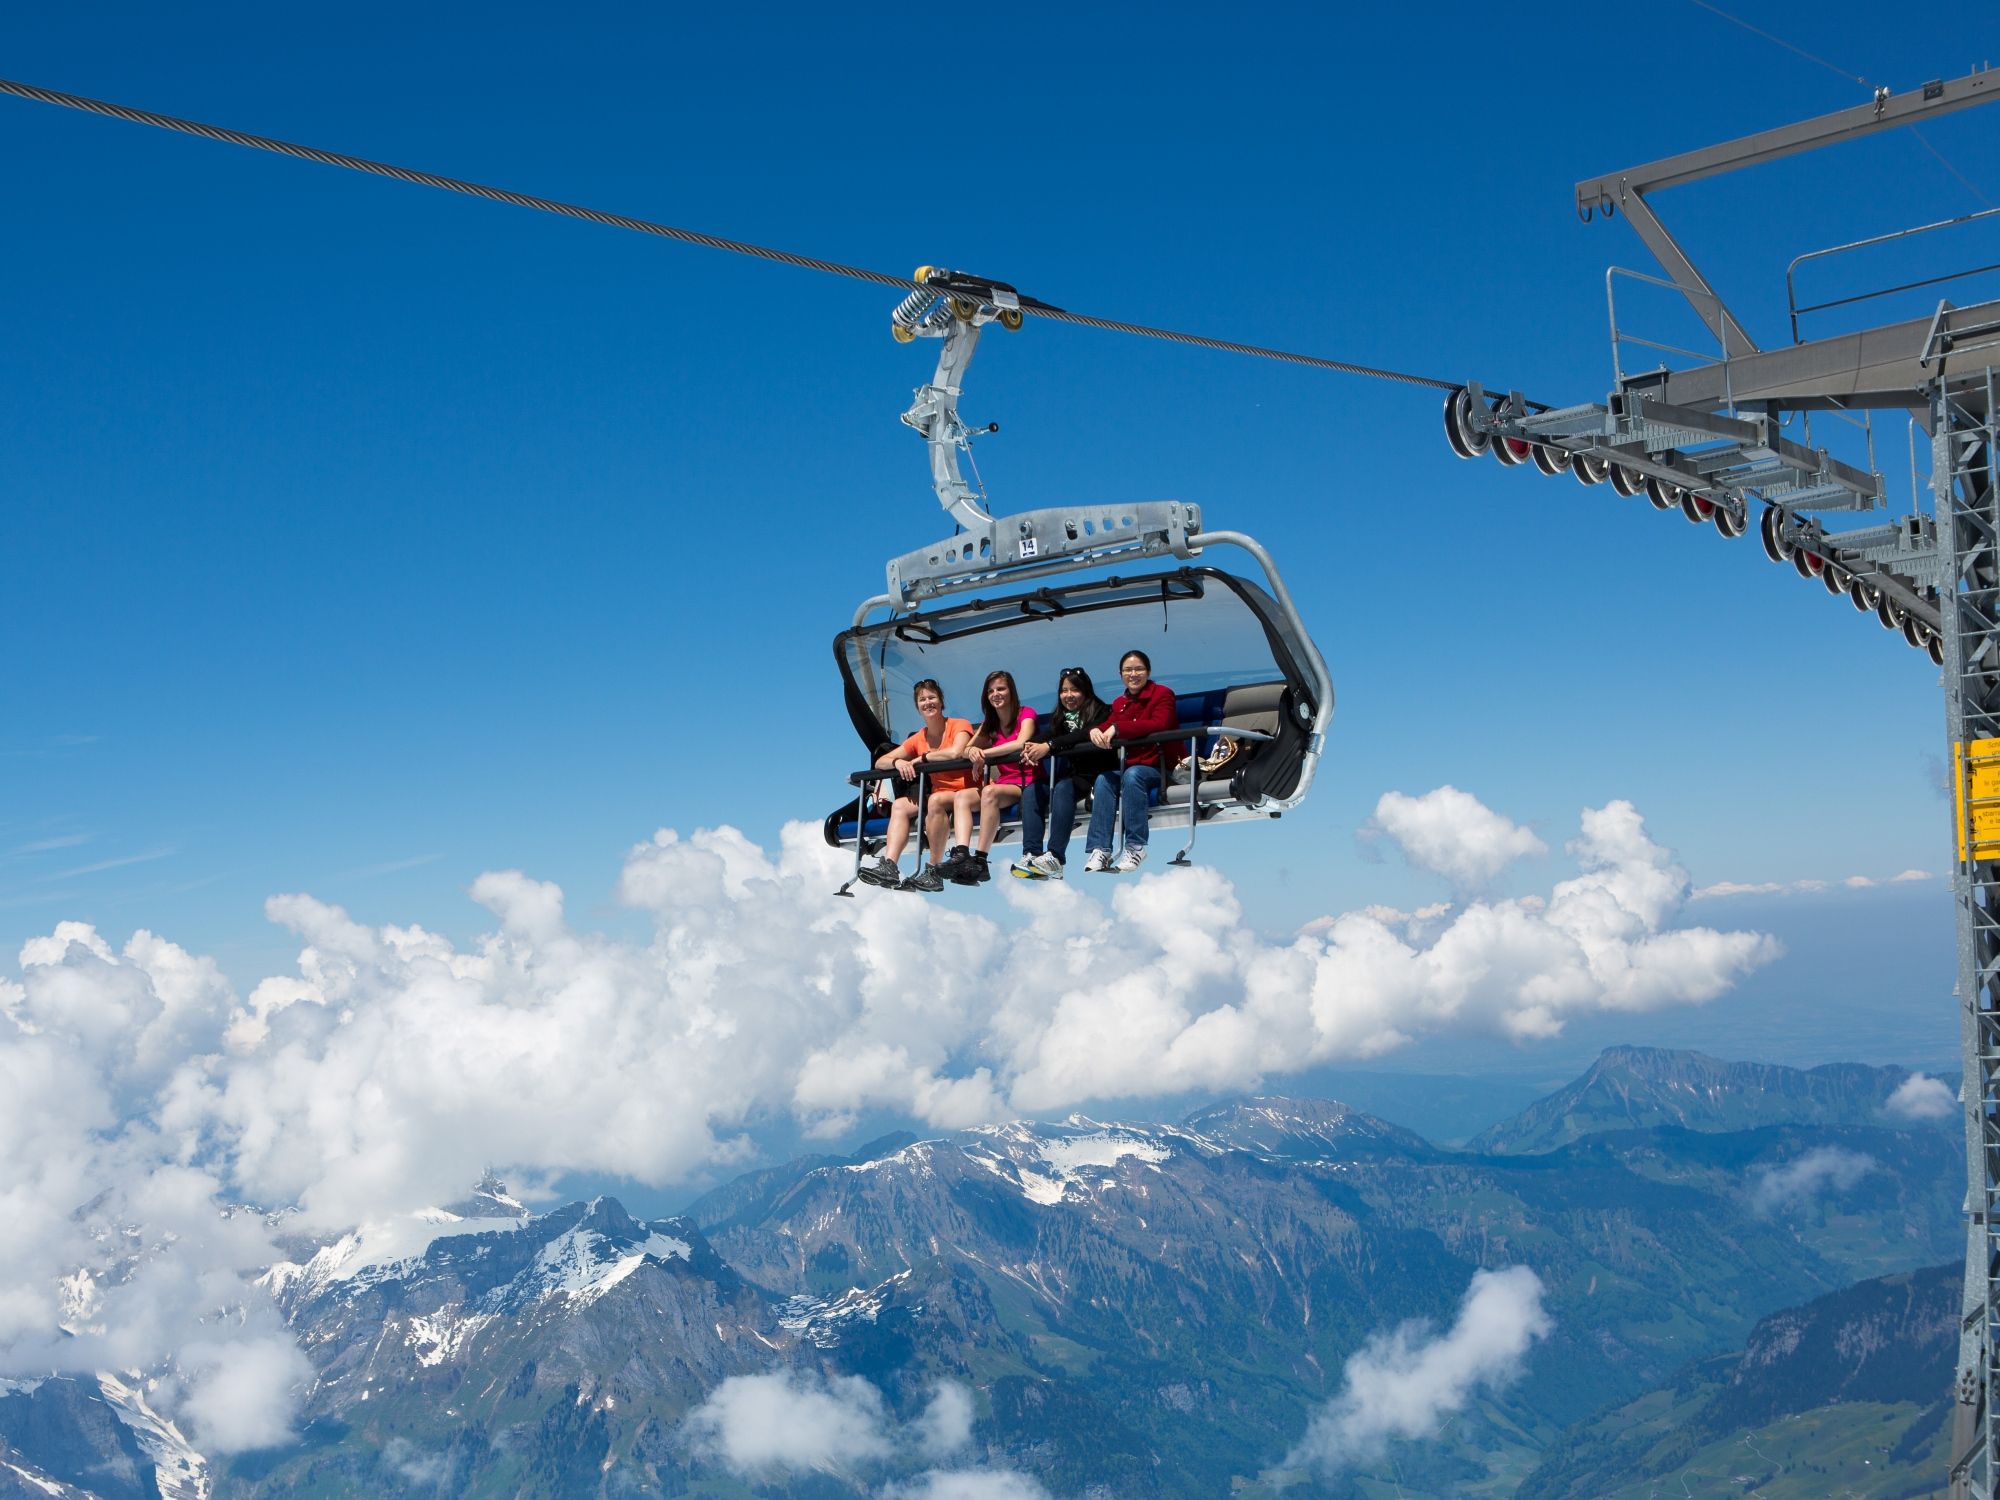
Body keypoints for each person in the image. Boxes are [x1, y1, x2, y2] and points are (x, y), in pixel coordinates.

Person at [855, 679, 973, 893]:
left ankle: (933, 870)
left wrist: (924, 758)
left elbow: (956, 752)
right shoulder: (919, 737)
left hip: (965, 791)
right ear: (917, 706)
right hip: (940, 794)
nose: (928, 702)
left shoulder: (959, 725)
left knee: (936, 800)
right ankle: (889, 866)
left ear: (941, 701)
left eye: (932, 697)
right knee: (900, 805)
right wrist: (898, 761)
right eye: (922, 699)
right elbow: (881, 762)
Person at [1082, 649, 1180, 873]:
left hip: (1161, 767)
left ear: (1148, 671)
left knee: (1132, 775)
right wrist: (1096, 730)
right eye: (1128, 670)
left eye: (1138, 669)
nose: (1133, 674)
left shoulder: (1163, 694)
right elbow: (1110, 722)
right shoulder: (1120, 703)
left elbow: (1160, 723)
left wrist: (1118, 728)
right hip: (1133, 769)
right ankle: (1101, 849)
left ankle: (1135, 846)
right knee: (1104, 779)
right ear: (1120, 674)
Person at [1010, 667, 1112, 880]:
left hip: (1097, 776)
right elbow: (1048, 734)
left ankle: (1055, 856)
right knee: (1032, 790)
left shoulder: (1102, 710)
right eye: (1064, 691)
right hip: (1074, 775)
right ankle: (1031, 853)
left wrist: (1049, 746)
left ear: (1085, 691)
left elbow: (1081, 735)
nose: (1068, 696)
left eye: (1074, 690)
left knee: (1063, 787)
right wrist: (1030, 747)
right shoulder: (1063, 717)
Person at [942, 670, 1038, 885]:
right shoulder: (990, 723)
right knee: (962, 798)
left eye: (1001, 689)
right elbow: (966, 749)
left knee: (989, 791)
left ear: (1011, 691)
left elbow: (1020, 743)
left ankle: (981, 860)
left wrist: (983, 754)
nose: (996, 694)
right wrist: (972, 752)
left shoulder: (1026, 714)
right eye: (991, 691)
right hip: (1004, 782)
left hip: (1025, 781)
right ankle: (962, 854)